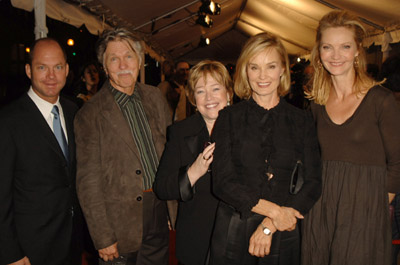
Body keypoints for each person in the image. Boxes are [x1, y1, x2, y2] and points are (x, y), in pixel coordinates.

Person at [208, 32, 322, 265]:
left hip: (283, 229)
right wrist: (274, 211)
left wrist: (272, 222)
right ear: (244, 71)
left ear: (282, 70)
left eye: (270, 66)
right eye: (254, 67)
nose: (262, 76)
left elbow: (313, 182)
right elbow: (222, 181)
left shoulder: (302, 120)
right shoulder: (228, 117)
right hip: (235, 228)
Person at [301, 11, 400, 265]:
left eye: (345, 47)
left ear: (357, 50)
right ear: (319, 52)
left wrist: (373, 207)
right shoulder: (316, 104)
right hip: (321, 210)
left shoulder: (381, 101)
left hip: (364, 214)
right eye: (328, 47)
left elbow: (398, 164)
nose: (336, 56)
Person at [74, 28, 173, 265]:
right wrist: (103, 236)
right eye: (114, 59)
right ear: (105, 68)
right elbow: (88, 181)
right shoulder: (90, 114)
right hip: (118, 223)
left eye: (128, 56)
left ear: (139, 60)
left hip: (159, 209)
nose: (122, 65)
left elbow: (171, 152)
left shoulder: (155, 97)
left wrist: (173, 205)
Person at [0, 37, 83, 265]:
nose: (51, 76)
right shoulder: (8, 122)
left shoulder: (74, 110)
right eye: (41, 67)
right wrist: (10, 252)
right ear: (28, 70)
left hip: (72, 242)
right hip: (30, 250)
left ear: (66, 70)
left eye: (57, 67)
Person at [154, 60, 233, 265]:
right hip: (195, 241)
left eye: (216, 88)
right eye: (200, 91)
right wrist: (192, 173)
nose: (209, 98)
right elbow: (161, 188)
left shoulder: (245, 130)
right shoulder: (180, 132)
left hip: (236, 239)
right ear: (192, 98)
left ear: (229, 93)